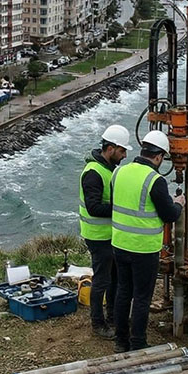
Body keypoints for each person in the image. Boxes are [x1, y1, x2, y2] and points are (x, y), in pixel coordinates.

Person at [110, 130, 184, 352]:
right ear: (159, 156)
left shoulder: (118, 172)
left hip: (119, 244)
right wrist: (179, 203)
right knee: (142, 298)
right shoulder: (154, 180)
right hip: (143, 249)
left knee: (123, 292)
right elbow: (169, 215)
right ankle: (138, 343)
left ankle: (120, 341)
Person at [79, 124, 130, 339]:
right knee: (102, 281)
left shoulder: (108, 169)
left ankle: (113, 318)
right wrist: (120, 209)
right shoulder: (93, 173)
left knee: (114, 279)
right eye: (122, 150)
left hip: (110, 235)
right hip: (98, 237)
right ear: (110, 149)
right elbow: (94, 208)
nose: (125, 155)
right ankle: (98, 324)